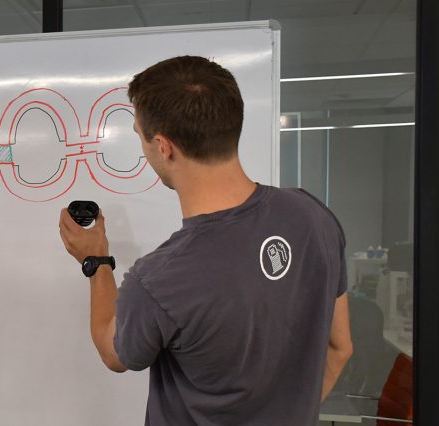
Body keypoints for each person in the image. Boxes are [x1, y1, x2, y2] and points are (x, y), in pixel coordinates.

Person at [58, 56, 353, 425]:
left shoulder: (160, 279)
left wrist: (96, 261)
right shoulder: (313, 216)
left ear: (163, 147)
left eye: (139, 135)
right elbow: (340, 347)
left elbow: (112, 350)